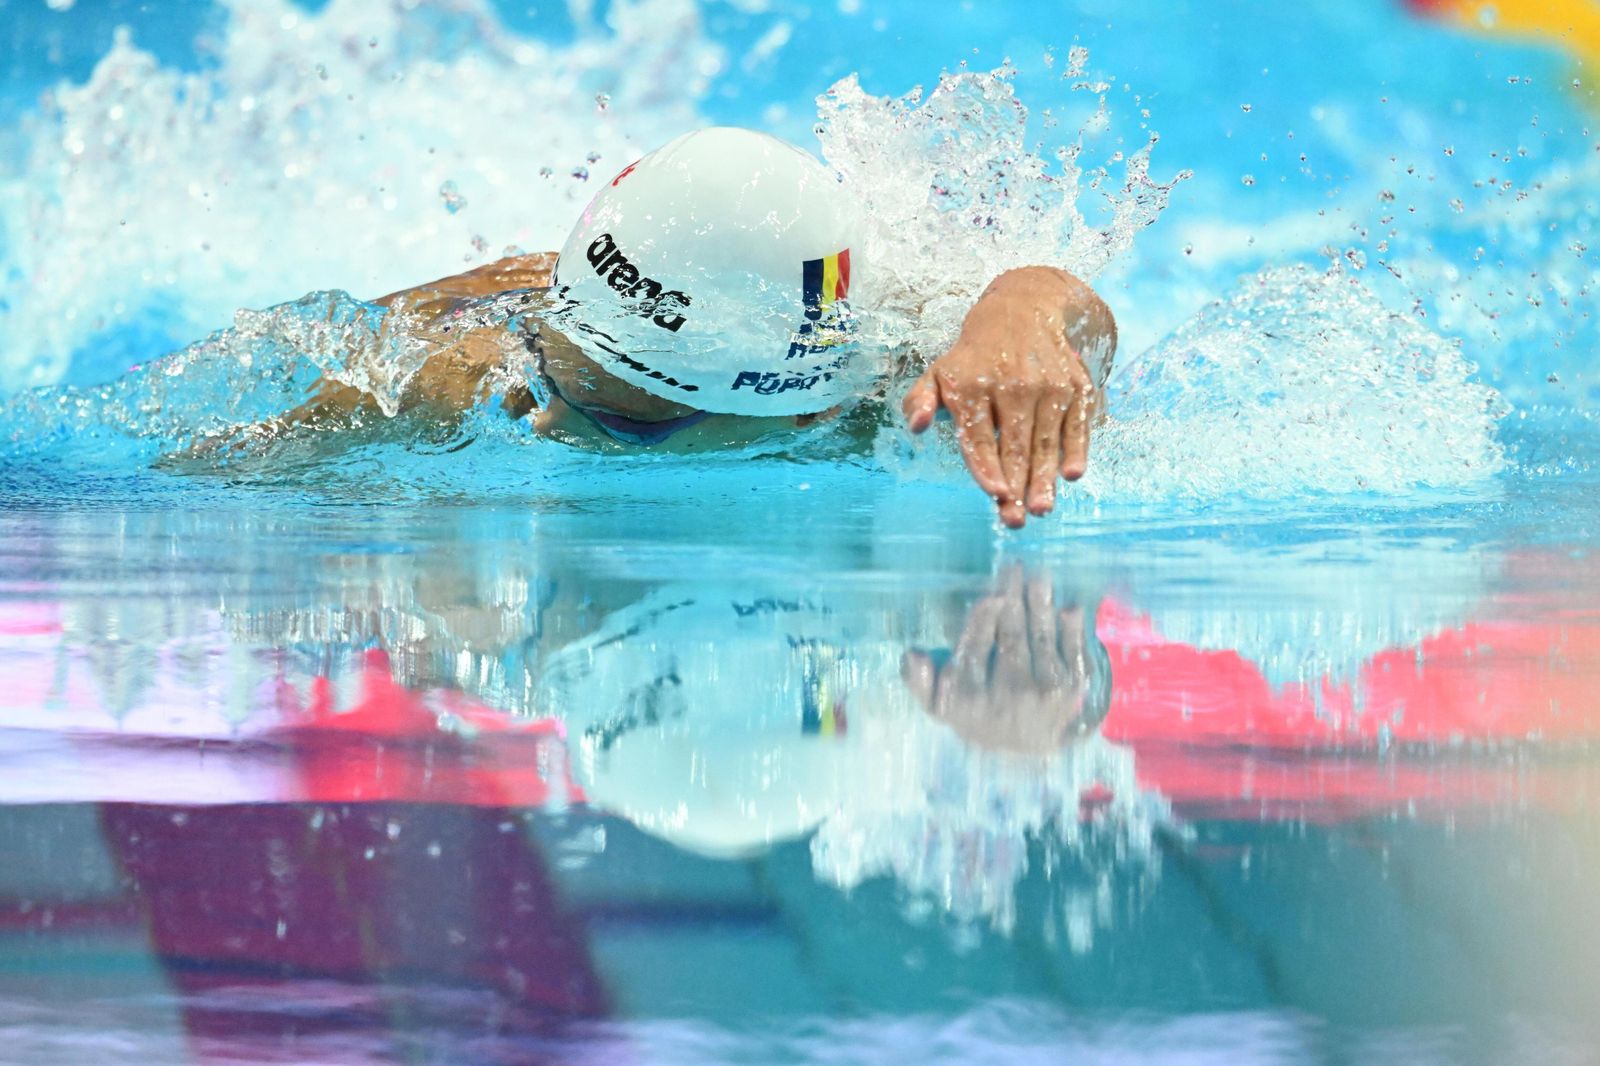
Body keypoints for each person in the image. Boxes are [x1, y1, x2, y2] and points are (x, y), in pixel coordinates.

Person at [251, 127, 1117, 529]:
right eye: (550, 365)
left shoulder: (883, 391)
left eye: (623, 419)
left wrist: (1023, 308)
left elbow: (1064, 317)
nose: (540, 420)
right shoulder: (462, 367)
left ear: (801, 408)